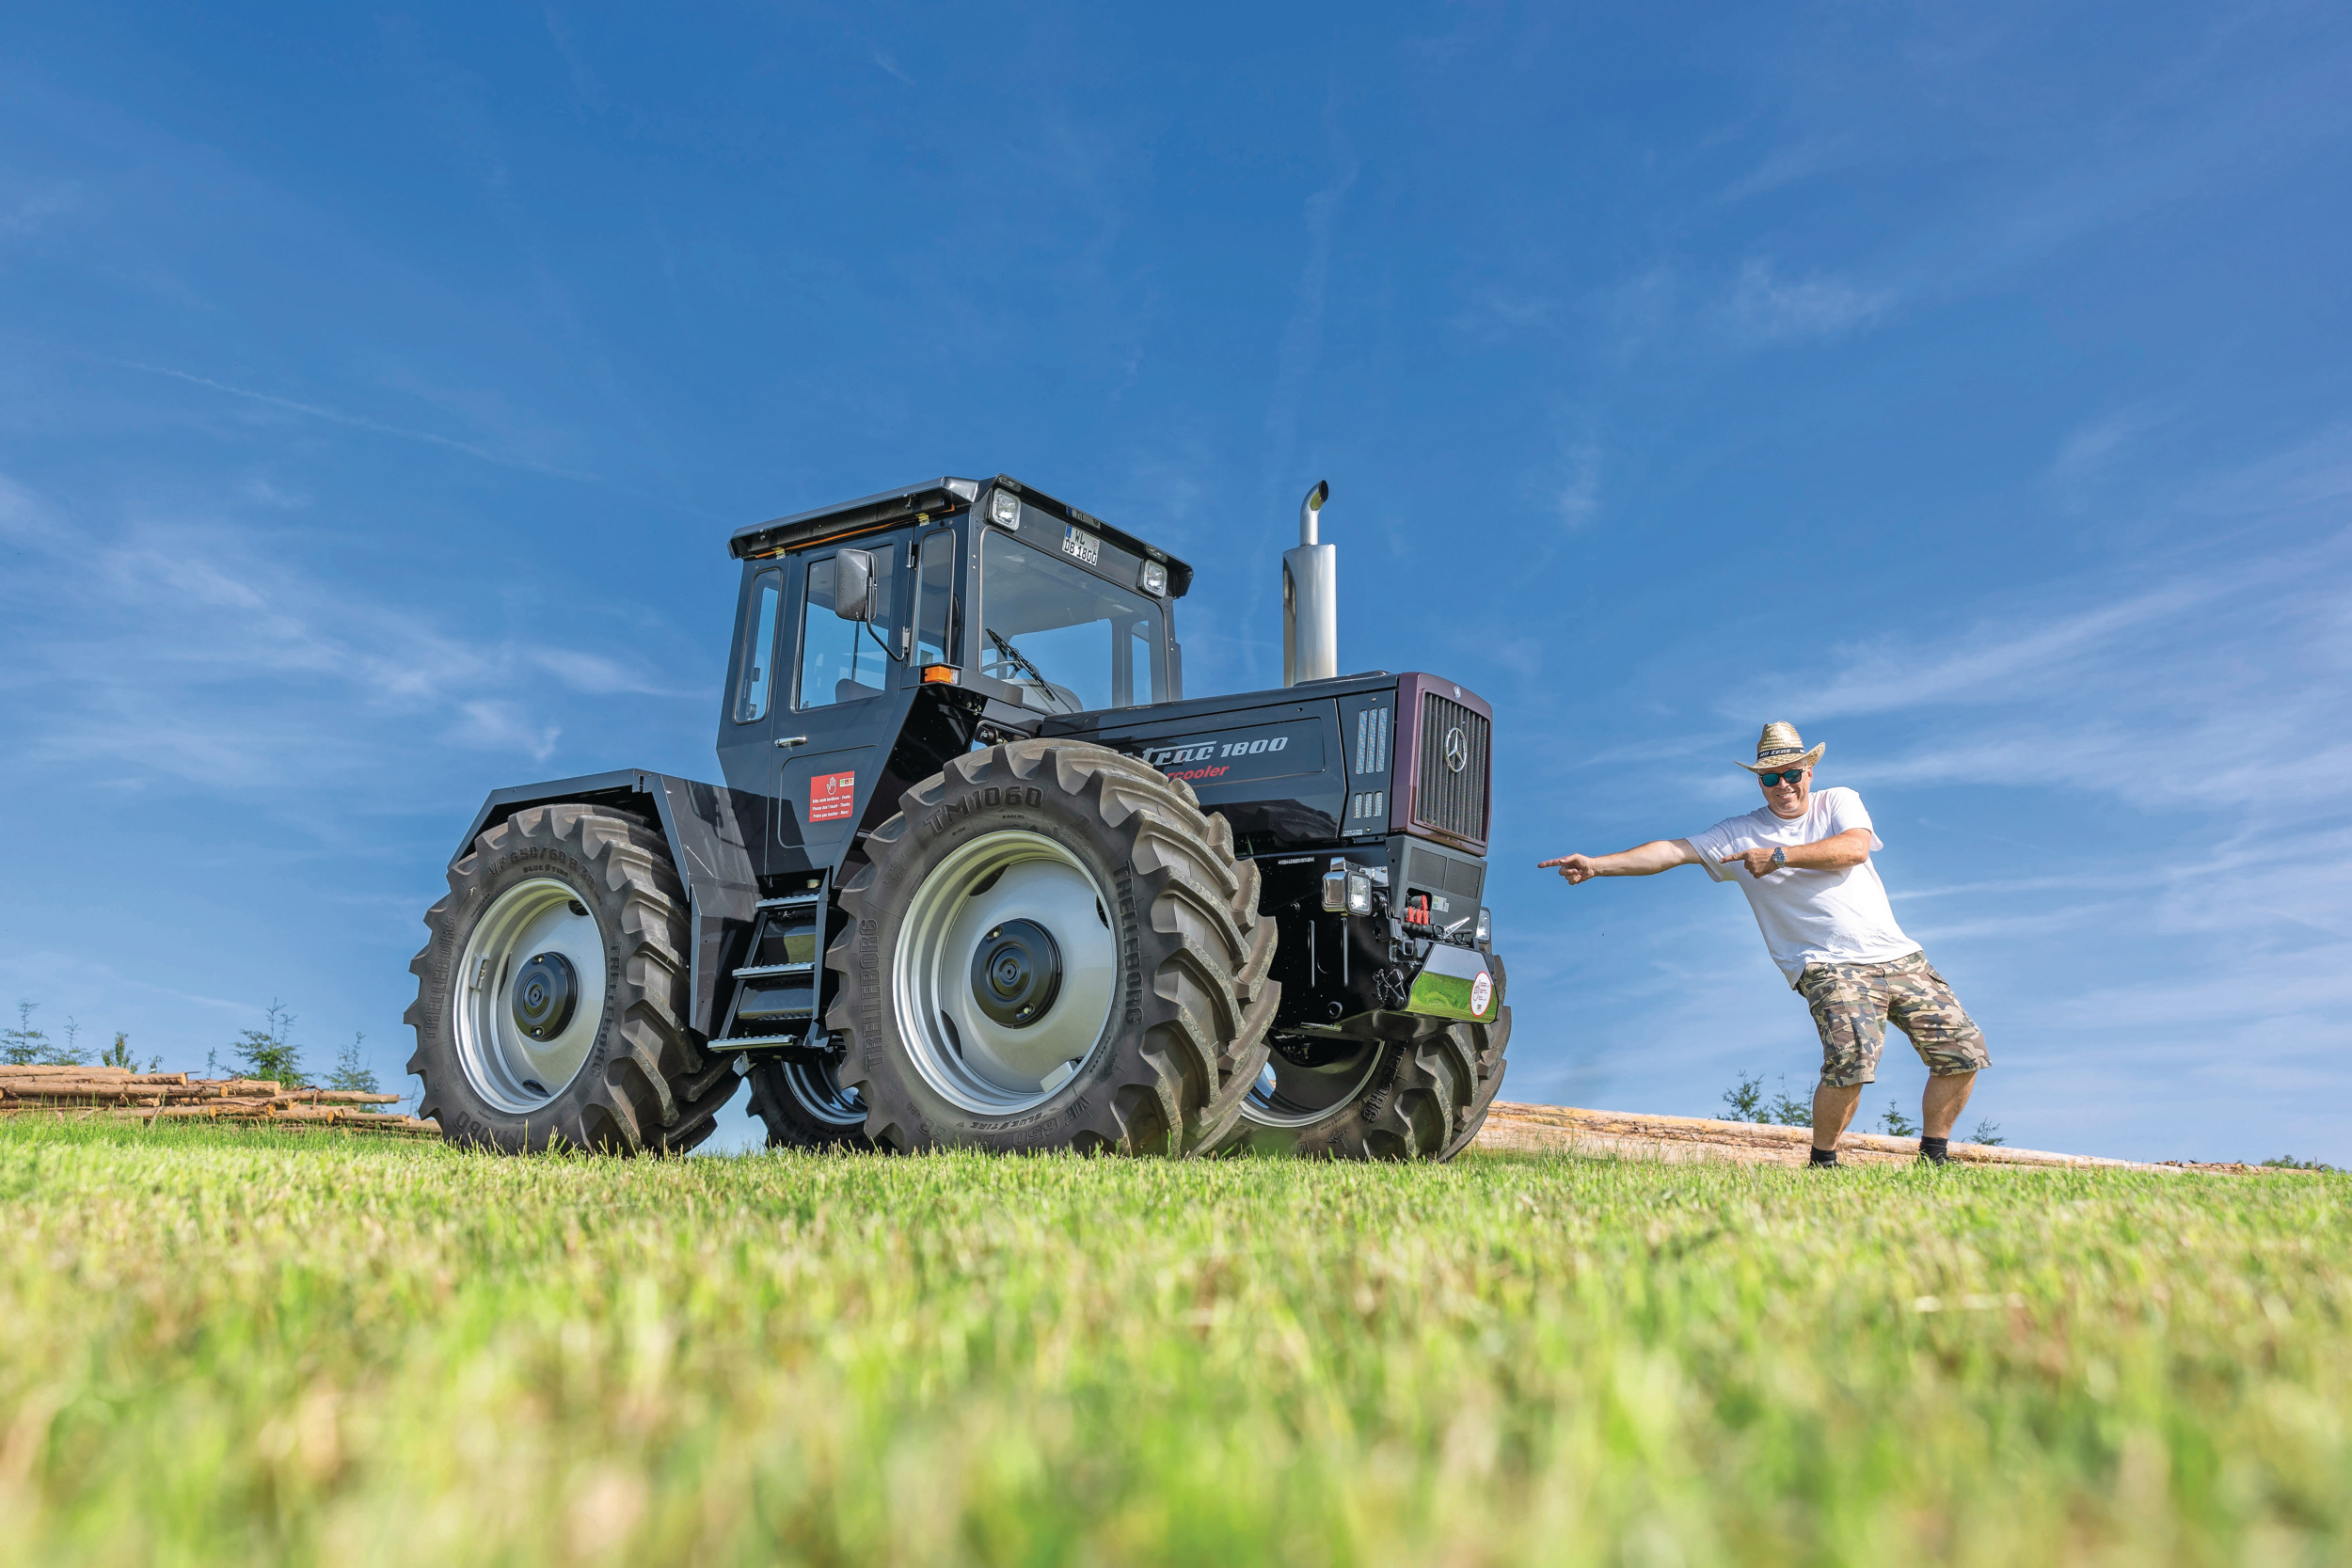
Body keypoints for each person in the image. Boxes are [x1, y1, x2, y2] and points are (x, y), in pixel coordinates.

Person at [1537, 721, 1989, 1166]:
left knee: (1962, 1051)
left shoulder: (1839, 801)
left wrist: (1778, 856)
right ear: (1759, 781)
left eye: (1792, 773)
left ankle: (1934, 1158)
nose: (1783, 785)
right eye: (1771, 777)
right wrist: (1598, 865)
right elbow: (1672, 852)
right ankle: (1824, 1163)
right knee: (1851, 1062)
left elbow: (1854, 849)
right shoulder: (1739, 832)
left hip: (1898, 954)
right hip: (1826, 963)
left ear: (1809, 771)